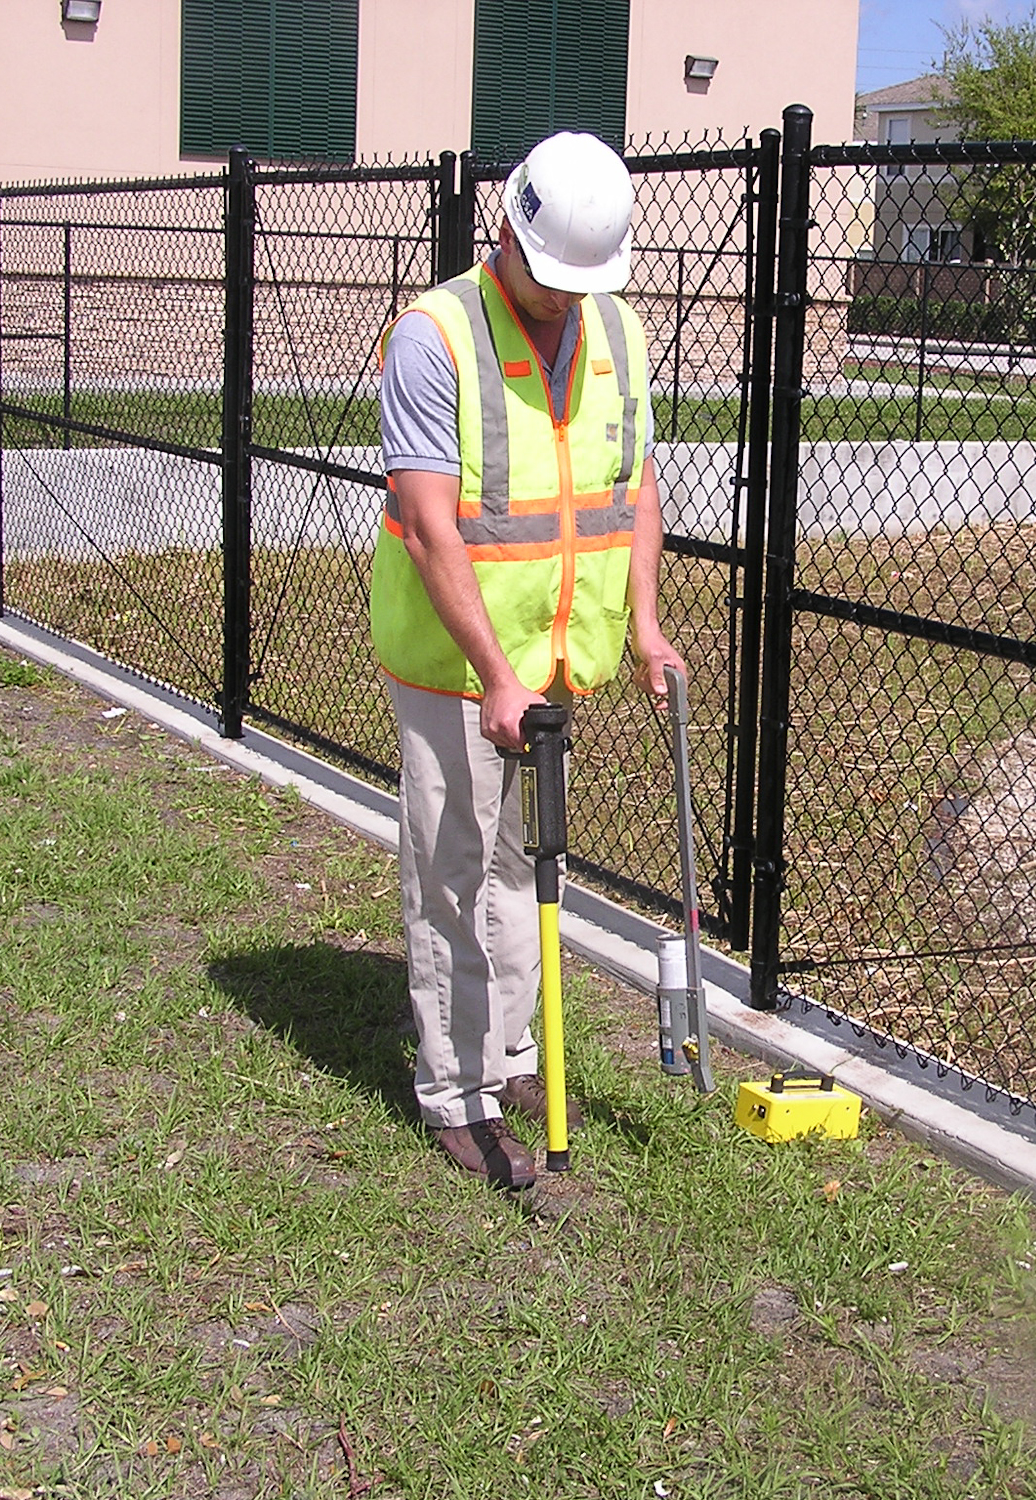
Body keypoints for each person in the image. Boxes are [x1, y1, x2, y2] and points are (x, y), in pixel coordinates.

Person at [371, 131, 685, 1190]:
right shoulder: (435, 337)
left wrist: (641, 625)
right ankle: (453, 1094)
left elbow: (631, 487)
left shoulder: (619, 334)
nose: (562, 302)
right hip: (458, 667)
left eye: (578, 287)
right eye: (549, 282)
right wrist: (496, 677)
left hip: (554, 659)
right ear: (507, 230)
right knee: (454, 870)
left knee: (517, 874)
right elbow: (426, 526)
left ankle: (502, 1060)